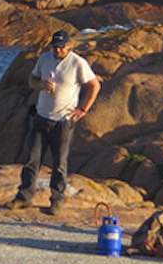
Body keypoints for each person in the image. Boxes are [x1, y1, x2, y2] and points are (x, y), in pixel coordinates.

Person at [12, 30, 100, 214]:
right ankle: (24, 197)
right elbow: (32, 79)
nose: (57, 50)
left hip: (63, 120)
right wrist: (40, 85)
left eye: (61, 47)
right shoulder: (45, 58)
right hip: (41, 115)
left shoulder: (77, 63)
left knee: (59, 162)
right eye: (54, 46)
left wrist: (83, 109)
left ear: (69, 46)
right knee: (31, 159)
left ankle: (57, 200)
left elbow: (94, 85)